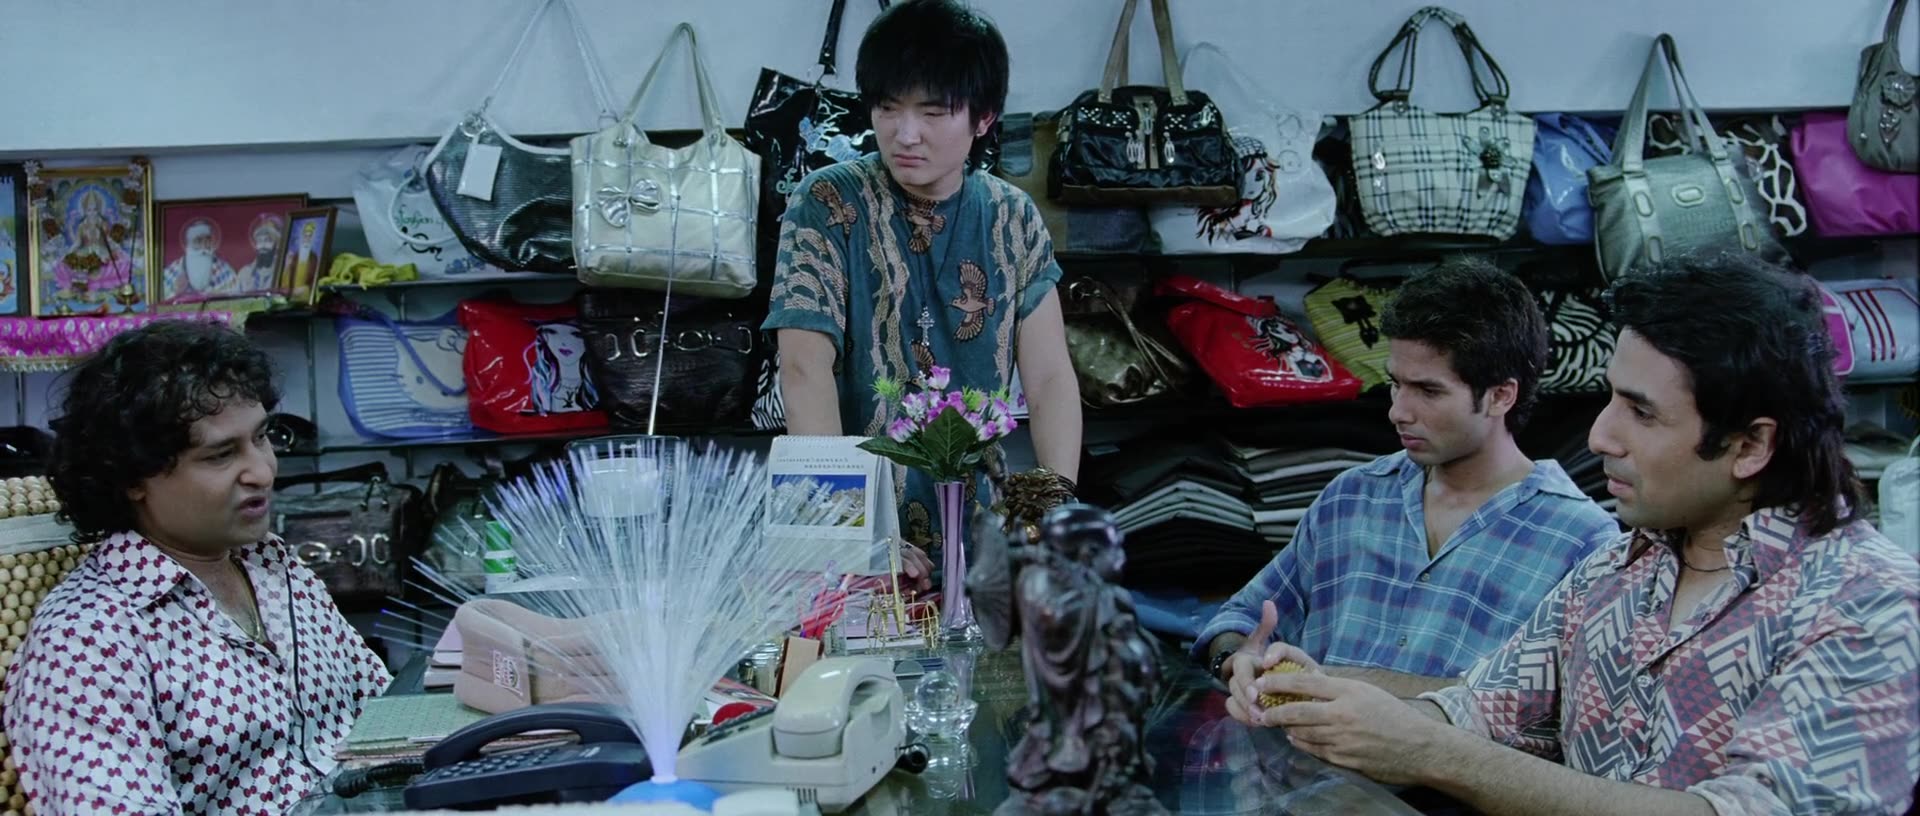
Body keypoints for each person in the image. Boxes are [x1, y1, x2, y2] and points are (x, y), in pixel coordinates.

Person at [1247, 254, 1920, 815]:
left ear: (1749, 446)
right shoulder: (1615, 573)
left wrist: (1430, 751)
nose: (1599, 437)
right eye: (1609, 398)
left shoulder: (1870, 604)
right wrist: (1327, 700)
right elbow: (1479, 709)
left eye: (1641, 413)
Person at [3, 320, 393, 814]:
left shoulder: (275, 567)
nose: (263, 471)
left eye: (262, 437)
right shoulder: (88, 641)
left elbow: (385, 718)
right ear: (132, 478)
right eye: (221, 455)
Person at [1196, 258, 1618, 700]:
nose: (1398, 411)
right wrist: (1236, 658)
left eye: (1429, 391)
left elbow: (1555, 707)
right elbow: (1241, 616)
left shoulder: (1581, 543)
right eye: (1396, 383)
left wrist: (1338, 682)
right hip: (1299, 747)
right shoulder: (1351, 498)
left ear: (1500, 396)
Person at [764, 0, 1080, 589]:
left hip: (980, 525)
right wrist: (856, 536)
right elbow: (804, 368)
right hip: (854, 524)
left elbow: (1050, 379)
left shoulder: (1012, 217)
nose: (905, 134)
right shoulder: (827, 201)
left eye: (933, 112)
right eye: (888, 108)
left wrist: (1052, 513)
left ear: (983, 118)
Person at [160, 218, 238, 300]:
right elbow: (162, 298)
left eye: (208, 240)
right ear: (189, 244)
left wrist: (216, 294)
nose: (204, 246)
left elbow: (234, 293)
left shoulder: (224, 269)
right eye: (198, 241)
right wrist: (176, 290)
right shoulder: (173, 270)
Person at [235, 213, 285, 293]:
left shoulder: (284, 272)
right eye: (259, 241)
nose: (262, 245)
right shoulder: (244, 273)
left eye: (268, 240)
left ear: (277, 244)